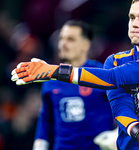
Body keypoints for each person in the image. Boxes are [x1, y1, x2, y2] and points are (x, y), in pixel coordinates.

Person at [11, 0, 139, 150]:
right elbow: (121, 106)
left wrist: (54, 71)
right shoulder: (114, 60)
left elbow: (112, 78)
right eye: (132, 17)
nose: (135, 23)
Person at [29, 20, 117, 150]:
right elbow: (46, 118)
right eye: (61, 39)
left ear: (85, 45)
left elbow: (125, 107)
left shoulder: (101, 74)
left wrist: (116, 134)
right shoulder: (51, 79)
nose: (63, 44)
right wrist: (40, 145)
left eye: (70, 39)